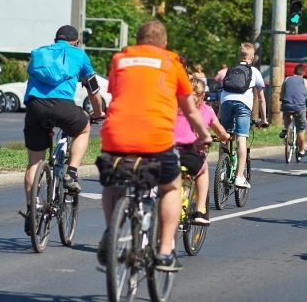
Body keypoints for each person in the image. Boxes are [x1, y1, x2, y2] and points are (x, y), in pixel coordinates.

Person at [98, 20, 211, 271]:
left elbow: (118, 94)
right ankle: (164, 252)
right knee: (171, 187)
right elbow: (190, 109)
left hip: (116, 135)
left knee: (111, 180)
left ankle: (110, 231)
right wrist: (203, 135)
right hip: (156, 138)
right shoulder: (172, 62)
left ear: (137, 41)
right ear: (165, 43)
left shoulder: (119, 59)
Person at [23, 26, 104, 234]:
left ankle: (32, 211)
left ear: (55, 40)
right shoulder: (80, 55)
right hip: (63, 106)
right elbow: (93, 89)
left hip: (35, 106)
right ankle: (72, 173)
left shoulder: (41, 52)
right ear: (76, 42)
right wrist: (97, 113)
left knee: (34, 162)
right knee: (83, 129)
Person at [174, 77, 230, 225]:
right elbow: (221, 132)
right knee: (203, 170)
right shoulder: (207, 111)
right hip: (189, 153)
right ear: (203, 95)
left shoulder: (173, 107)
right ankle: (200, 211)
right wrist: (225, 136)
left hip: (168, 150)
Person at [220, 43, 267, 189]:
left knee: (224, 136)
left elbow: (224, 91)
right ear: (252, 57)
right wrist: (263, 119)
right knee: (241, 139)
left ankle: (222, 170)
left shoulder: (231, 69)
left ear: (239, 56)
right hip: (243, 106)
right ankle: (239, 177)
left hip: (226, 103)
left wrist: (219, 114)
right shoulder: (254, 71)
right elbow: (261, 98)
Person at [279, 64, 307, 161]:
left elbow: (282, 92)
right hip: (299, 108)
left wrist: (281, 99)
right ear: (303, 73)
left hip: (287, 105)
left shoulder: (287, 79)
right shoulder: (306, 82)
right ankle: (301, 151)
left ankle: (285, 129)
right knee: (300, 130)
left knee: (287, 113)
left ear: (294, 72)